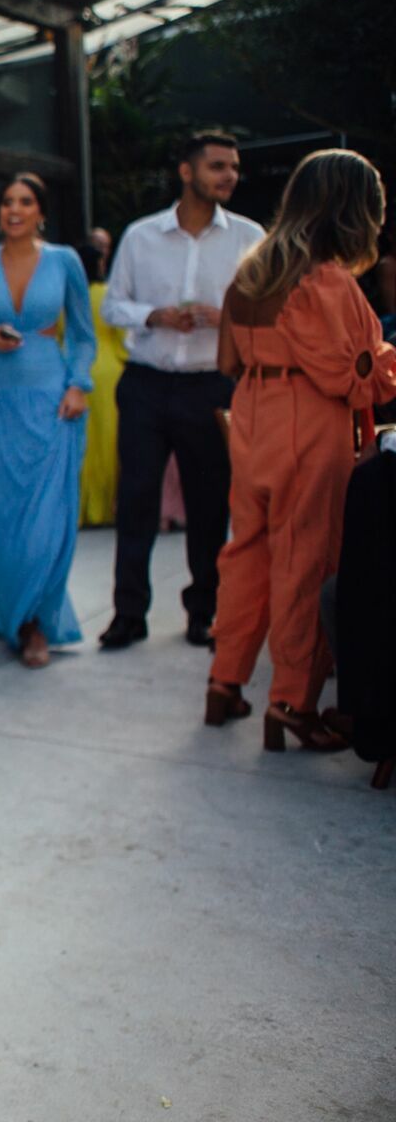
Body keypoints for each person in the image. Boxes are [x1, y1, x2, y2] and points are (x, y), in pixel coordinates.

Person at [204, 149, 396, 749]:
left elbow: (226, 360)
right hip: (309, 422)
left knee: (246, 553)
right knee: (307, 561)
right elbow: (355, 377)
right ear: (351, 209)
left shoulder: (250, 272)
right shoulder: (327, 280)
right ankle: (291, 703)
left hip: (251, 415)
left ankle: (224, 681)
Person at [99, 132, 262, 650]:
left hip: (210, 385)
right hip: (145, 383)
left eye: (233, 167)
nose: (229, 176)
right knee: (136, 502)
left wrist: (226, 315)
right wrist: (155, 315)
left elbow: (266, 310)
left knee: (209, 505)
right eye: (218, 166)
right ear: (187, 172)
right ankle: (128, 614)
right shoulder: (141, 235)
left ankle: (204, 612)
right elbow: (113, 306)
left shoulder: (250, 238)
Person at [0, 173, 96, 669]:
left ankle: (37, 619)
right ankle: (17, 618)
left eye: (25, 202)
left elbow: (82, 333)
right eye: (6, 202)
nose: (14, 210)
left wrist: (78, 384)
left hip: (50, 399)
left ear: (41, 211)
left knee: (48, 521)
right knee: (2, 521)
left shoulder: (64, 261)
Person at [79, 240, 130, 527]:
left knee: (84, 445)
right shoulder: (108, 296)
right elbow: (124, 339)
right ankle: (109, 507)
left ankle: (86, 508)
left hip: (78, 372)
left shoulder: (68, 298)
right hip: (110, 371)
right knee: (111, 443)